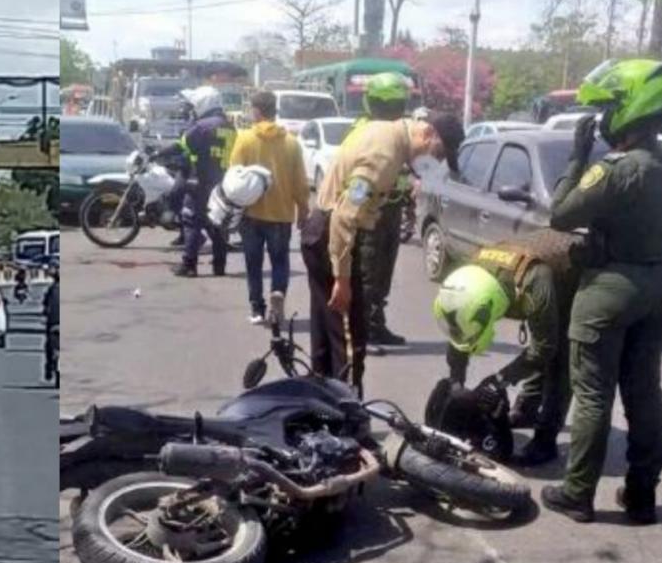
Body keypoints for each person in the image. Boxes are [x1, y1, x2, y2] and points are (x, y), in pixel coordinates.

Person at [539, 59, 662, 524]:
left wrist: (576, 156)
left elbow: (561, 215)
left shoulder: (615, 169)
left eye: (608, 109)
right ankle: (642, 496)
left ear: (628, 109)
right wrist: (659, 257)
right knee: (645, 392)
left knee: (593, 393)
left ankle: (578, 493)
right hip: (659, 287)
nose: (603, 119)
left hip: (609, 288)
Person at [300, 109, 463, 395]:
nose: (434, 162)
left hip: (321, 232)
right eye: (437, 154)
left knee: (326, 335)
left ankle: (322, 404)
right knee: (350, 340)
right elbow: (344, 218)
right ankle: (350, 410)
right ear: (427, 134)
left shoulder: (385, 132)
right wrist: (342, 278)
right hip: (332, 236)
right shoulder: (384, 156)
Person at [431, 228, 585, 466]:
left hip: (581, 276)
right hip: (543, 277)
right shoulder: (472, 277)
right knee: (542, 342)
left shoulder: (534, 281)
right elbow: (459, 329)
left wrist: (500, 380)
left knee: (559, 357)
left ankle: (545, 441)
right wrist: (456, 382)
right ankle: (527, 412)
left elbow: (545, 347)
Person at [227, 89, 310, 325]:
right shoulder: (292, 143)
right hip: (281, 214)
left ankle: (257, 309)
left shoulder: (245, 139)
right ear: (275, 111)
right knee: (280, 261)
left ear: (256, 111)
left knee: (253, 264)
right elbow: (300, 182)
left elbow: (233, 176)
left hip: (251, 213)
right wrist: (303, 210)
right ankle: (278, 293)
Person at [349, 73, 416, 349]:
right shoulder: (365, 131)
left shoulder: (401, 132)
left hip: (392, 208)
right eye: (392, 105)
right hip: (371, 211)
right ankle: (361, 332)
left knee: (383, 274)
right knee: (366, 275)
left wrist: (409, 198)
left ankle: (376, 326)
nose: (396, 110)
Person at [155, 85, 236, 277]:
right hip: (222, 183)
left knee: (191, 221)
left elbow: (180, 146)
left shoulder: (201, 127)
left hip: (200, 181)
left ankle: (189, 265)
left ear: (202, 104)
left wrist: (159, 152)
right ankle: (219, 266)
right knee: (217, 223)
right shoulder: (230, 127)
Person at [43, 262, 60, 380]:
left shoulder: (52, 289)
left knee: (48, 346)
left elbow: (45, 305)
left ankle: (48, 367)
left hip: (53, 324)